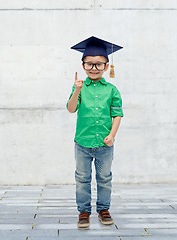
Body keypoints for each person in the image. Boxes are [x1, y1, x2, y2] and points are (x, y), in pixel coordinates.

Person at [66, 36, 124, 228]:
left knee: (105, 177)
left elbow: (117, 115)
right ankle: (83, 211)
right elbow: (71, 109)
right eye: (89, 64)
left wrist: (112, 135)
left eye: (99, 64)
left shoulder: (112, 90)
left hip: (105, 144)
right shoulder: (80, 88)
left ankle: (103, 209)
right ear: (83, 65)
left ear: (106, 67)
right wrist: (76, 90)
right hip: (82, 142)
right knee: (82, 178)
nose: (94, 68)